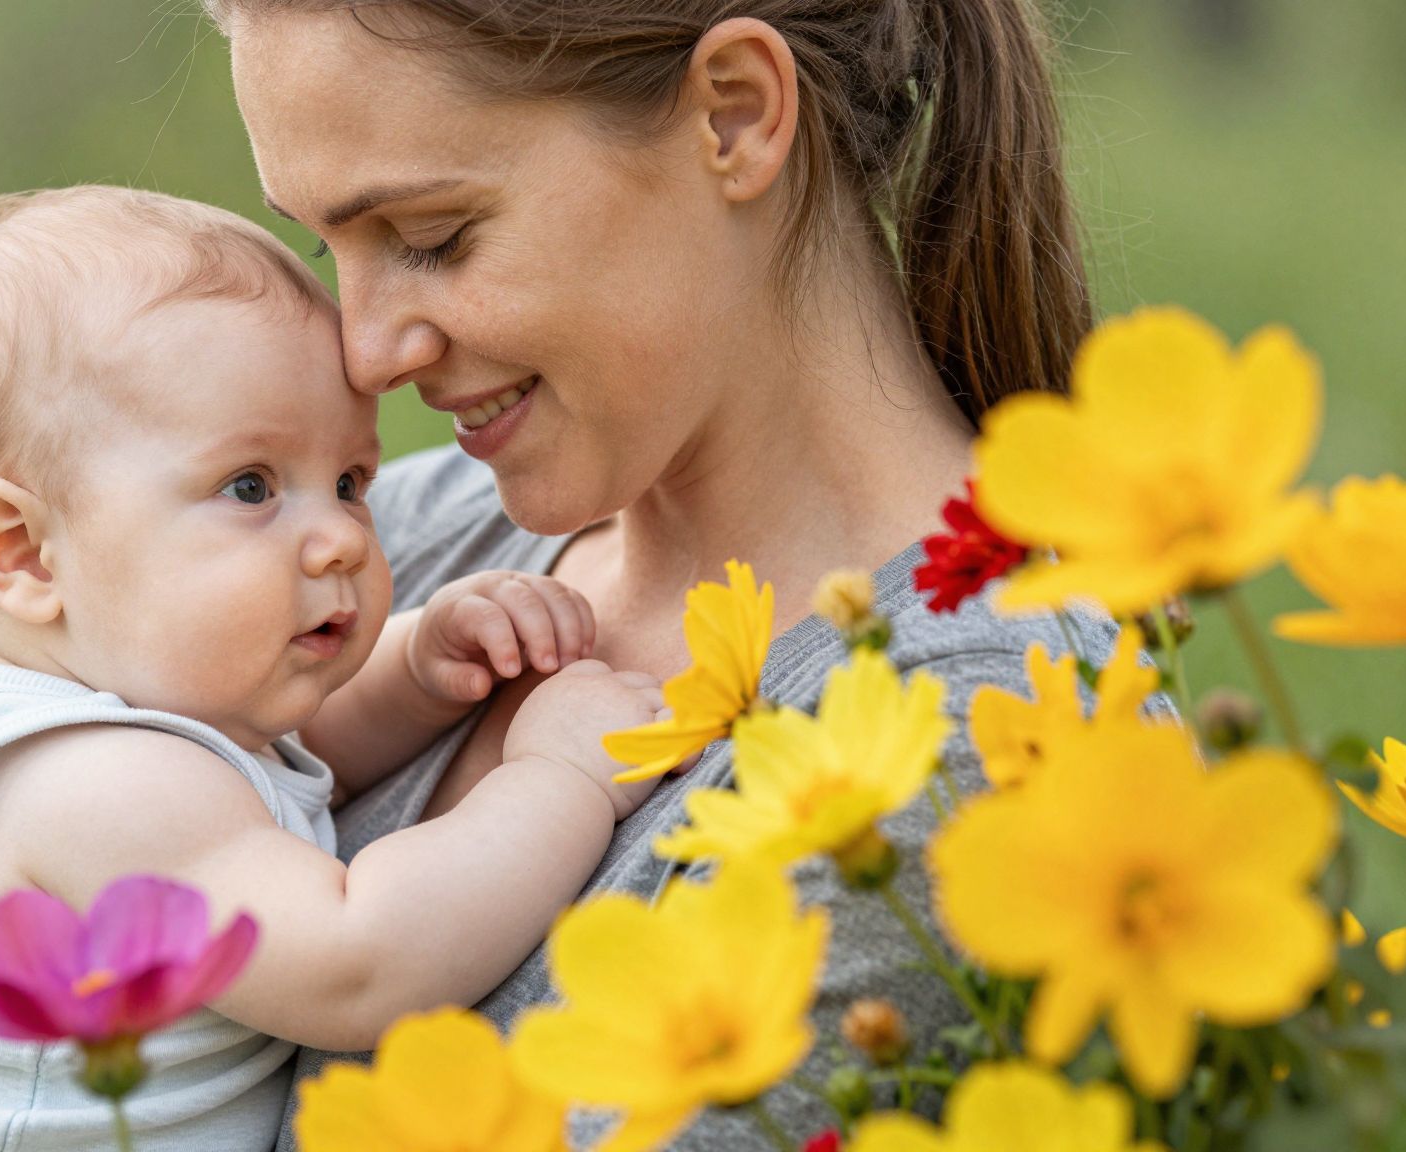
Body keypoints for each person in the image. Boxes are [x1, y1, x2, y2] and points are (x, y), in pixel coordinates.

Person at [202, 2, 1124, 1145]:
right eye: (321, 249)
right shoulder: (399, 539)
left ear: (734, 116)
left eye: (431, 234)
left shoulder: (962, 757)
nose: (364, 349)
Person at [0, 184, 672, 1151]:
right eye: (251, 486)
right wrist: (559, 775)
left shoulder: (139, 717)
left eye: (350, 483)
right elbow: (360, 961)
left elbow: (280, 753)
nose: (336, 538)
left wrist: (415, 662)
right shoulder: (89, 787)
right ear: (26, 554)